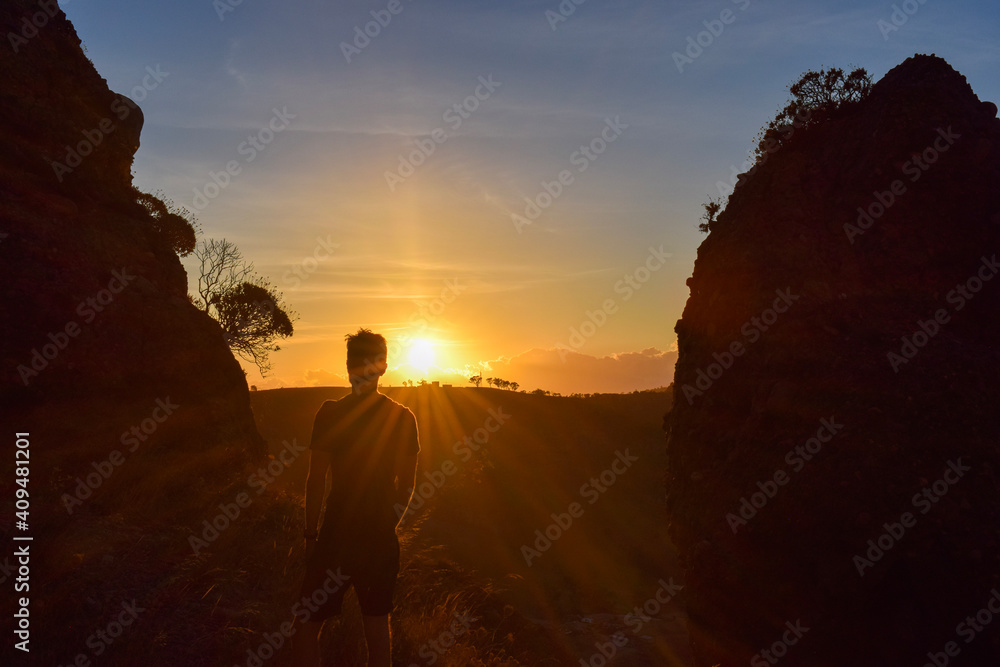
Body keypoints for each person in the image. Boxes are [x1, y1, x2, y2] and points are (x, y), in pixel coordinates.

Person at [293, 328, 419, 667]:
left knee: (306, 625)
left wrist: (311, 535)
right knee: (376, 627)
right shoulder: (402, 418)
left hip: (336, 536)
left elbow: (315, 479)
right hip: (376, 539)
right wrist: (386, 523)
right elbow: (408, 485)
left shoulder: (331, 412)